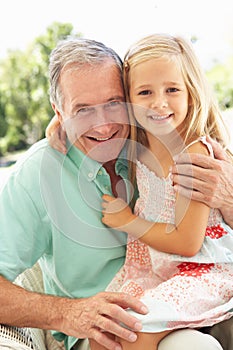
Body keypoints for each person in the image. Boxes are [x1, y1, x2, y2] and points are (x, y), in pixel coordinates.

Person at [0, 36, 232, 350]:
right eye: (83, 110)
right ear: (58, 110)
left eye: (112, 103)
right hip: (98, 325)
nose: (104, 125)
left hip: (182, 293)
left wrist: (228, 196)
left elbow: (206, 233)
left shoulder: (147, 141)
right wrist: (70, 314)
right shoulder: (38, 174)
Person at [99, 33, 233, 349]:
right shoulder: (141, 147)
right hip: (155, 271)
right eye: (145, 92)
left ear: (191, 93)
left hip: (202, 273)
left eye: (172, 90)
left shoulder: (194, 154)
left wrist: (127, 221)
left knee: (134, 329)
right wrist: (60, 125)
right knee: (103, 331)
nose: (159, 102)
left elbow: (188, 242)